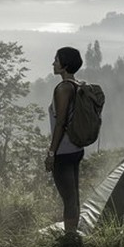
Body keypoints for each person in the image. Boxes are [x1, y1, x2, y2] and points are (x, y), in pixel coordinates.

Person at [45, 46, 84, 234]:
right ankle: (73, 234)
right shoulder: (78, 85)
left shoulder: (63, 89)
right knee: (74, 196)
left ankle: (70, 240)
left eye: (56, 59)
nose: (53, 63)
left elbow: (60, 124)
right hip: (76, 149)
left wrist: (51, 153)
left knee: (69, 198)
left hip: (64, 151)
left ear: (64, 65)